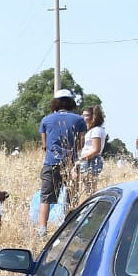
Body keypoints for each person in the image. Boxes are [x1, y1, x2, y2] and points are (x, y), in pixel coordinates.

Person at [39, 88, 87, 224]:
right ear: (71, 102)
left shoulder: (46, 120)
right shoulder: (79, 120)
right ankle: (68, 227)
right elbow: (81, 143)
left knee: (45, 198)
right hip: (71, 164)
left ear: (55, 103)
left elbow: (44, 145)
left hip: (51, 162)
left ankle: (42, 229)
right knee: (71, 197)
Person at [74, 104, 106, 196]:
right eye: (83, 115)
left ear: (93, 117)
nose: (84, 118)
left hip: (91, 160)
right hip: (87, 160)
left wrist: (82, 158)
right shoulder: (92, 130)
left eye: (86, 115)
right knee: (88, 188)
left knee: (91, 189)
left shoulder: (96, 130)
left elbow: (96, 149)